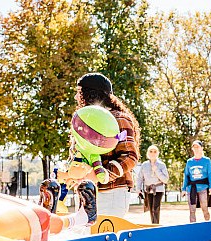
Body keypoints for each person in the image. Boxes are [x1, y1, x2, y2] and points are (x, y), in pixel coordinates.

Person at [66, 72, 140, 217]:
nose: (76, 97)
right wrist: (72, 173)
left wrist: (102, 174)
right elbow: (79, 154)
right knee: (84, 237)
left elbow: (130, 157)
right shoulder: (83, 122)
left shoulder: (119, 119)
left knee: (105, 237)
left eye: (79, 93)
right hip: (85, 192)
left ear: (91, 94)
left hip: (112, 193)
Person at [181, 140, 211, 223]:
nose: (196, 149)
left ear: (201, 148)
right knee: (192, 209)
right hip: (191, 189)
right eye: (194, 147)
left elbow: (210, 174)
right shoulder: (189, 162)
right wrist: (184, 188)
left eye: (197, 147)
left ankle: (207, 222)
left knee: (204, 208)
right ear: (192, 149)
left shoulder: (207, 160)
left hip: (203, 188)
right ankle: (192, 226)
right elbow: (186, 176)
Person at [136, 145, 169, 224]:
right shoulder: (144, 165)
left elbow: (165, 179)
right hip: (148, 190)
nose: (153, 153)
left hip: (158, 189)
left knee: (156, 208)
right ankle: (153, 225)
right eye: (151, 151)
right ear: (148, 153)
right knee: (151, 209)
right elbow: (140, 177)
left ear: (157, 153)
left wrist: (157, 170)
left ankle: (156, 226)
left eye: (155, 151)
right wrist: (138, 189)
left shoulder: (161, 165)